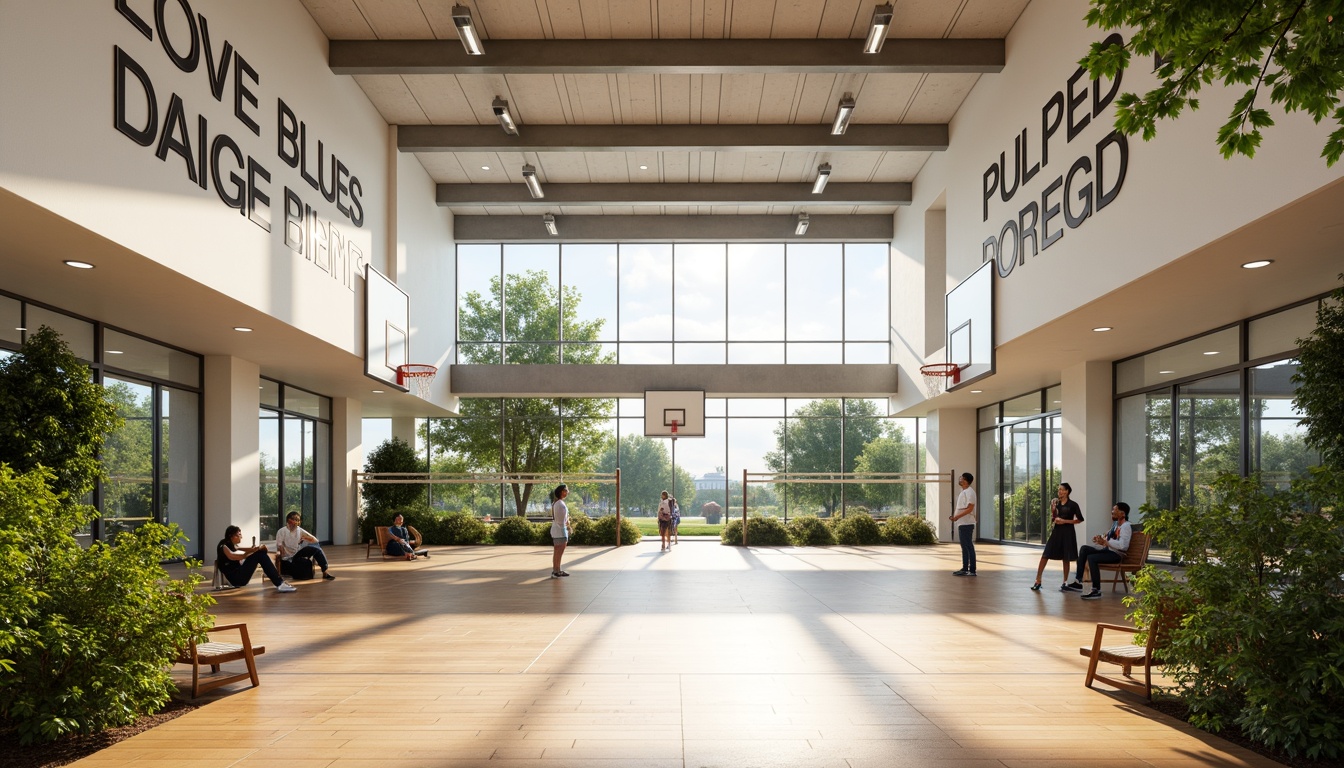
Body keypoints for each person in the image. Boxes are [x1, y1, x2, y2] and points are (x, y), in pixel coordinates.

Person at [1064, 502, 1133, 599]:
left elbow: (1123, 546)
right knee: (1084, 549)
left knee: (1092, 558)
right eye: (1112, 509)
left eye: (1115, 510)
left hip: (1117, 555)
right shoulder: (1115, 525)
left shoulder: (1126, 526)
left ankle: (1096, 590)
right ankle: (1078, 581)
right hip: (1109, 551)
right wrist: (1099, 538)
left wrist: (1106, 542)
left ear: (1123, 514)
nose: (1112, 512)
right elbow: (1108, 538)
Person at [1032, 482, 1083, 590]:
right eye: (1058, 489)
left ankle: (1065, 582)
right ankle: (1038, 580)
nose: (1059, 491)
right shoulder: (1056, 503)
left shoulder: (1073, 505)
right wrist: (1053, 509)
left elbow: (1079, 519)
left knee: (1066, 557)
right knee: (1046, 554)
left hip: (1068, 533)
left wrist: (1065, 521)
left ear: (1067, 491)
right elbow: (1054, 518)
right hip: (1057, 532)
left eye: (1061, 489)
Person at [217, 525, 296, 592]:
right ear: (231, 536)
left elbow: (242, 549)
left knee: (260, 554)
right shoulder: (223, 546)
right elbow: (234, 556)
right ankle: (279, 583)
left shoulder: (232, 545)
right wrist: (252, 552)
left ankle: (279, 582)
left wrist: (256, 548)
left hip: (238, 576)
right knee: (259, 555)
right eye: (239, 535)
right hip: (236, 579)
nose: (241, 537)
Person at [276, 511, 335, 580]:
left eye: (297, 520)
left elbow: (315, 540)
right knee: (315, 548)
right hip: (287, 558)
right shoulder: (282, 531)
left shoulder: (299, 530)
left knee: (316, 548)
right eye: (294, 520)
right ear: (288, 521)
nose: (296, 522)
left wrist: (304, 538)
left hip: (297, 554)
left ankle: (325, 571)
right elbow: (279, 546)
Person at [950, 472, 977, 576]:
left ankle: (972, 570)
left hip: (966, 523)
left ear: (965, 480)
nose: (959, 479)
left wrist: (957, 517)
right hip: (962, 523)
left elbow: (970, 508)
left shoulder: (970, 492)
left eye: (961, 478)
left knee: (968, 545)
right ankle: (965, 568)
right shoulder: (964, 492)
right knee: (964, 546)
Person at [550, 483, 571, 578]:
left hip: (557, 529)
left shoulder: (556, 503)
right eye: (566, 490)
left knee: (557, 551)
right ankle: (556, 570)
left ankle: (557, 569)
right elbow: (561, 520)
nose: (567, 492)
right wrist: (567, 526)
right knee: (559, 551)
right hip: (560, 530)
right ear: (561, 492)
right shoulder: (560, 504)